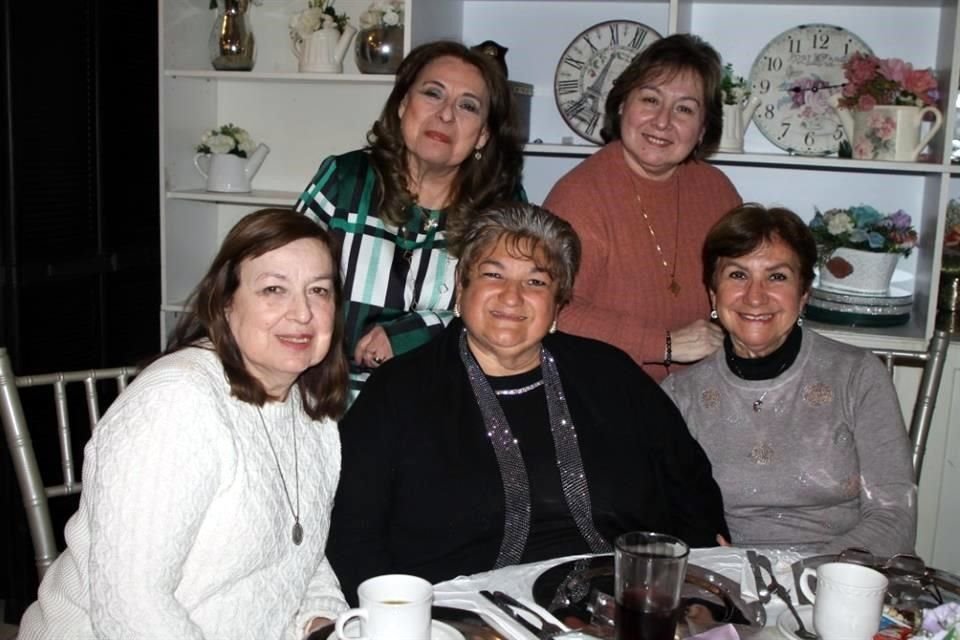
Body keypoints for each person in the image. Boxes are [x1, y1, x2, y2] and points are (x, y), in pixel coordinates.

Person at [326, 202, 728, 603]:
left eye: (536, 282)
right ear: (462, 288)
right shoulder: (398, 393)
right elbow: (352, 537)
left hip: (621, 610)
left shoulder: (611, 375)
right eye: (493, 274)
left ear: (558, 304)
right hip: (466, 618)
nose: (512, 297)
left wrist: (690, 595)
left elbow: (691, 488)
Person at [19, 209, 350, 639]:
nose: (302, 313)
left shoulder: (309, 407)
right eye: (273, 289)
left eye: (319, 291)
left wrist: (324, 621)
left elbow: (300, 550)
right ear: (226, 303)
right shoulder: (176, 402)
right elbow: (133, 608)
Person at [661, 204, 917, 556]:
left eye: (777, 276)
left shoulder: (857, 376)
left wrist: (803, 573)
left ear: (804, 294)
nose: (755, 296)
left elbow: (893, 517)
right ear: (712, 294)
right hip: (726, 583)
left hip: (845, 577)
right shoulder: (679, 396)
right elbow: (666, 518)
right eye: (737, 275)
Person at [294, 40, 526, 396]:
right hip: (330, 398)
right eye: (433, 94)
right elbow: (281, 280)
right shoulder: (346, 179)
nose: (446, 115)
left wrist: (416, 332)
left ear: (482, 135)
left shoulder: (502, 207)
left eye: (467, 106)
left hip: (442, 402)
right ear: (403, 105)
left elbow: (513, 315)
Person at [543, 34, 742, 382]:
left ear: (702, 129)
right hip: (604, 393)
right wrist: (663, 344)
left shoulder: (717, 190)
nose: (662, 121)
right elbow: (554, 310)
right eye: (650, 99)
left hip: (704, 393)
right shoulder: (579, 195)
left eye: (684, 109)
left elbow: (741, 287)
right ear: (622, 105)